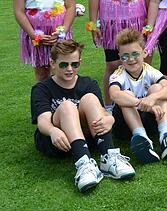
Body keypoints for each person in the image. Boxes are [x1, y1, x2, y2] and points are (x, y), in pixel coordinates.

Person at [31, 40, 135, 192]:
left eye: (74, 64)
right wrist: (53, 131)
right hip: (57, 141)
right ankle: (83, 163)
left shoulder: (88, 83)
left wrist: (109, 119)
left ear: (80, 62)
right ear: (52, 64)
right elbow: (43, 121)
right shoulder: (42, 88)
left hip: (89, 137)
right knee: (67, 106)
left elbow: (102, 112)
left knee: (90, 98)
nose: (69, 69)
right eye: (63, 65)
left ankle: (109, 157)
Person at [108, 29, 167, 163]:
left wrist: (152, 98)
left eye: (135, 54)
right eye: (125, 56)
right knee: (125, 95)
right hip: (124, 126)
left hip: (149, 119)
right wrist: (143, 104)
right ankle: (142, 139)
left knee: (157, 89)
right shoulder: (118, 74)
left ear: (144, 52)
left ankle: (165, 137)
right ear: (120, 56)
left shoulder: (149, 70)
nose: (131, 59)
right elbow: (114, 94)